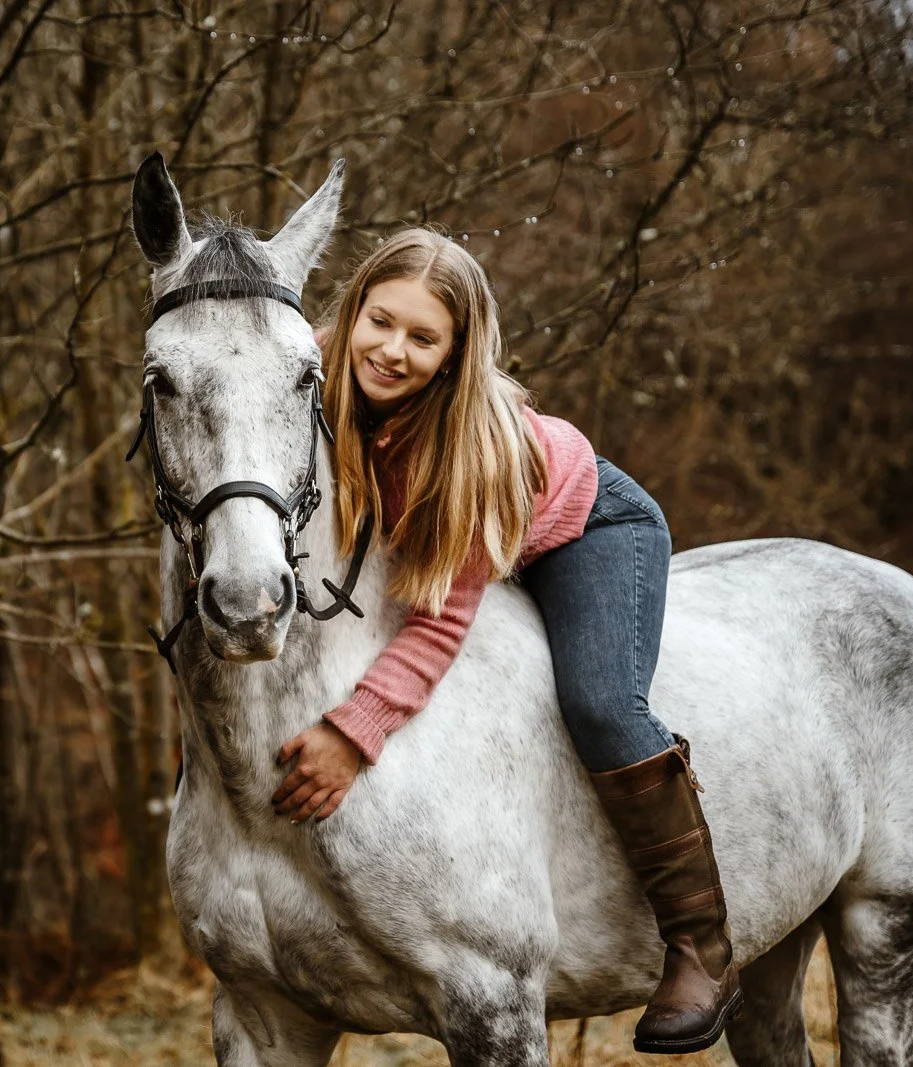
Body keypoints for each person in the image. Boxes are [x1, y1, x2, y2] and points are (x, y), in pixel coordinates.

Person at [267, 228, 741, 1054]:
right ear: (352, 311)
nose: (392, 351)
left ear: (455, 353)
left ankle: (702, 944)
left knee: (602, 703)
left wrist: (357, 728)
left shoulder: (472, 449)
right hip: (451, 540)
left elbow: (439, 619)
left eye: (423, 338)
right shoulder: (308, 367)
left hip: (587, 528)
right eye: (380, 322)